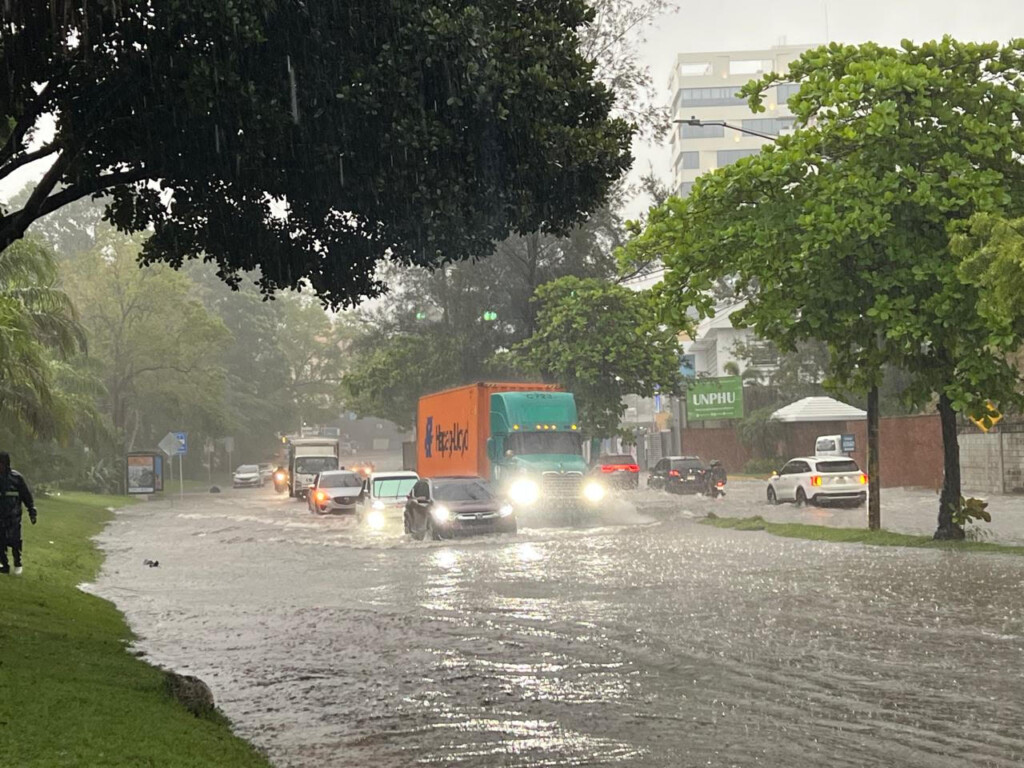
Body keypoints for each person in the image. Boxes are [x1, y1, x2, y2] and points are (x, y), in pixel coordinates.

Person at [0, 451, 37, 576]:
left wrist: (32, 511)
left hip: (13, 515)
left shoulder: (16, 478)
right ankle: (4, 565)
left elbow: (26, 496)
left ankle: (17, 562)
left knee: (15, 540)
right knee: (0, 541)